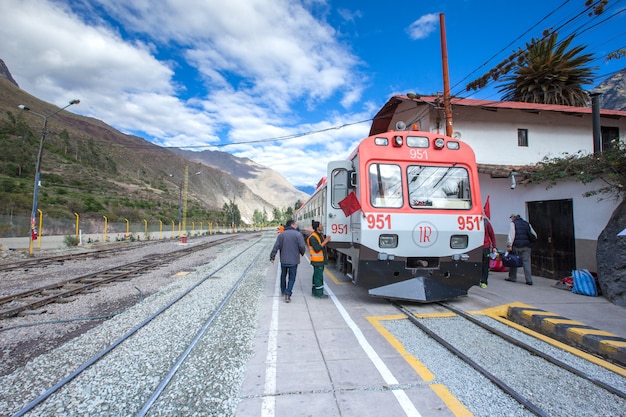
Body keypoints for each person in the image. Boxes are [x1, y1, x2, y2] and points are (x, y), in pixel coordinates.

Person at [270, 219, 306, 303]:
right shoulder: (298, 235)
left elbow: (276, 247)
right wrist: (302, 253)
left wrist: (272, 256)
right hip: (294, 260)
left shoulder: (281, 235)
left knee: (283, 275)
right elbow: (302, 246)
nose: (296, 226)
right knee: (291, 278)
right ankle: (288, 294)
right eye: (295, 224)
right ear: (292, 225)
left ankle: (283, 290)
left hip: (284, 260)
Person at [505, 214, 537, 285]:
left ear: (514, 217)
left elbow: (511, 235)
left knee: (513, 261)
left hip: (516, 246)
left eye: (511, 217)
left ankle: (512, 277)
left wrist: (509, 245)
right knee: (526, 262)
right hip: (526, 246)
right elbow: (534, 235)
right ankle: (529, 280)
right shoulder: (527, 224)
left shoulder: (513, 224)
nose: (511, 219)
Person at [307, 220, 331, 298]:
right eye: (321, 225)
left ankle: (315, 291)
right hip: (317, 260)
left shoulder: (318, 235)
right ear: (317, 227)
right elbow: (317, 248)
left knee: (316, 276)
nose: (322, 226)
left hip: (319, 260)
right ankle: (319, 293)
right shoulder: (313, 237)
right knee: (318, 276)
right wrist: (326, 241)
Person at [481, 215, 497, 288]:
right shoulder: (471, 220)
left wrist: (494, 246)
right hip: (475, 247)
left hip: (485, 246)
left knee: (485, 264)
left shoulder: (486, 222)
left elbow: (492, 234)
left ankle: (484, 281)